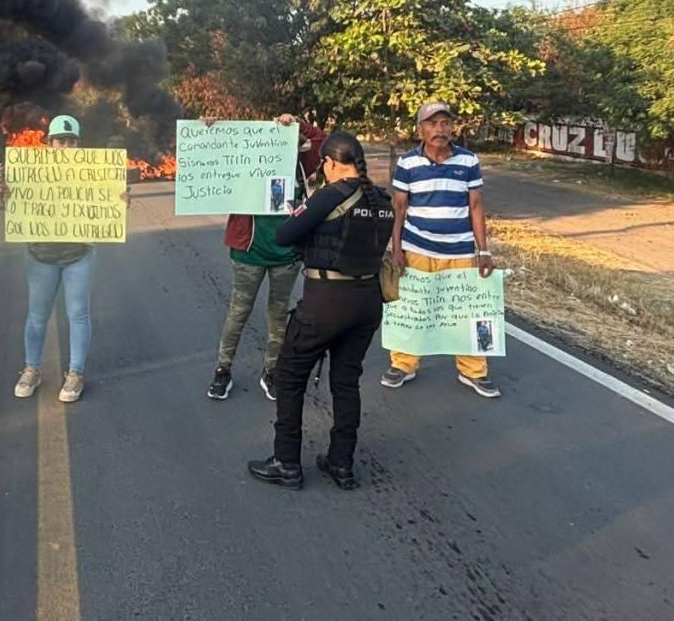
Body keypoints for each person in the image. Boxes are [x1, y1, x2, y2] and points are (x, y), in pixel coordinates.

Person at [247, 132, 393, 491]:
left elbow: (284, 235)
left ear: (329, 162)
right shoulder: (381, 199)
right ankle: (341, 463)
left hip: (327, 300)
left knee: (290, 374)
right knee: (346, 382)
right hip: (368, 301)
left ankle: (286, 462)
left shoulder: (329, 195)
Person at [0, 114, 128, 404]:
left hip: (78, 254)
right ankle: (31, 369)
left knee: (78, 314)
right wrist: (3, 190)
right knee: (37, 315)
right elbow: (13, 203)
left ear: (78, 144)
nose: (65, 146)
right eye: (60, 141)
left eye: (71, 141)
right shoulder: (31, 171)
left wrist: (120, 200)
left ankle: (75, 373)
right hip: (41, 255)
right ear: (49, 143)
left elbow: (109, 202)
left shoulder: (92, 172)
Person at [381, 101, 499, 398]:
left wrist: (483, 251)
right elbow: (399, 210)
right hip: (417, 248)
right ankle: (403, 364)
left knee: (465, 311)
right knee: (413, 309)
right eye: (432, 124)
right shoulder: (408, 164)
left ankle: (473, 371)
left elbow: (475, 206)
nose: (439, 130)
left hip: (459, 250)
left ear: (452, 127)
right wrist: (396, 250)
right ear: (420, 129)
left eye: (445, 123)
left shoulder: (468, 161)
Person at [208, 112, 325, 401]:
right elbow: (211, 153)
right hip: (248, 251)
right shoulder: (243, 163)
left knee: (278, 314)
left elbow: (320, 140)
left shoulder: (299, 164)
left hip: (285, 254)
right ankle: (223, 369)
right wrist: (211, 128)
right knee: (238, 311)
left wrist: (297, 122)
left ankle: (271, 370)